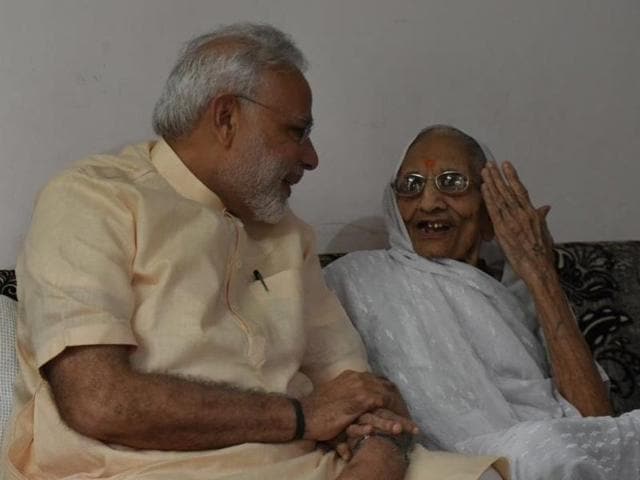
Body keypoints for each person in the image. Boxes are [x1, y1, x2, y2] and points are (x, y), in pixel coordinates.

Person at [0, 26, 507, 480]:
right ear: (225, 117)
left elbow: (361, 391)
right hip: (143, 467)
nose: (311, 158)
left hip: (310, 464)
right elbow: (99, 401)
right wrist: (301, 417)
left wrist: (378, 457)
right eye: (297, 131)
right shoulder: (92, 200)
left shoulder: (288, 234)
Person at [324, 124, 640, 480]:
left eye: (452, 182)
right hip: (461, 461)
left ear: (490, 208)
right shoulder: (356, 279)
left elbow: (597, 422)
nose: (428, 202)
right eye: (411, 185)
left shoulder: (520, 291)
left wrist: (541, 274)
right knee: (549, 452)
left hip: (552, 449)